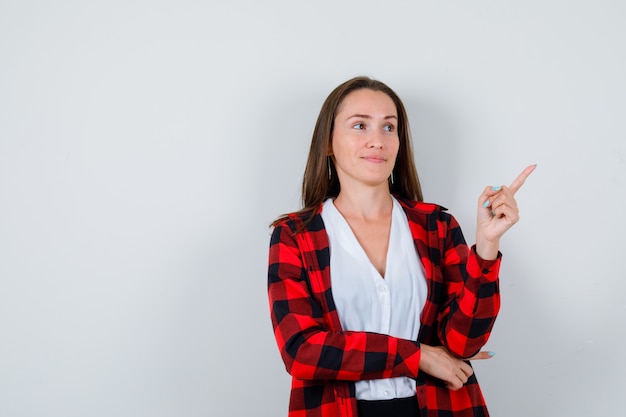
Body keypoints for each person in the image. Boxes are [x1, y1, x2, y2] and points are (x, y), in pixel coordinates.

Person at [267, 76, 535, 417]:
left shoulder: (437, 226)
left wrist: (486, 246)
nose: (377, 140)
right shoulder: (295, 235)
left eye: (389, 127)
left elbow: (464, 343)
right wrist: (418, 354)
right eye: (360, 125)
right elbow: (301, 350)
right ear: (329, 142)